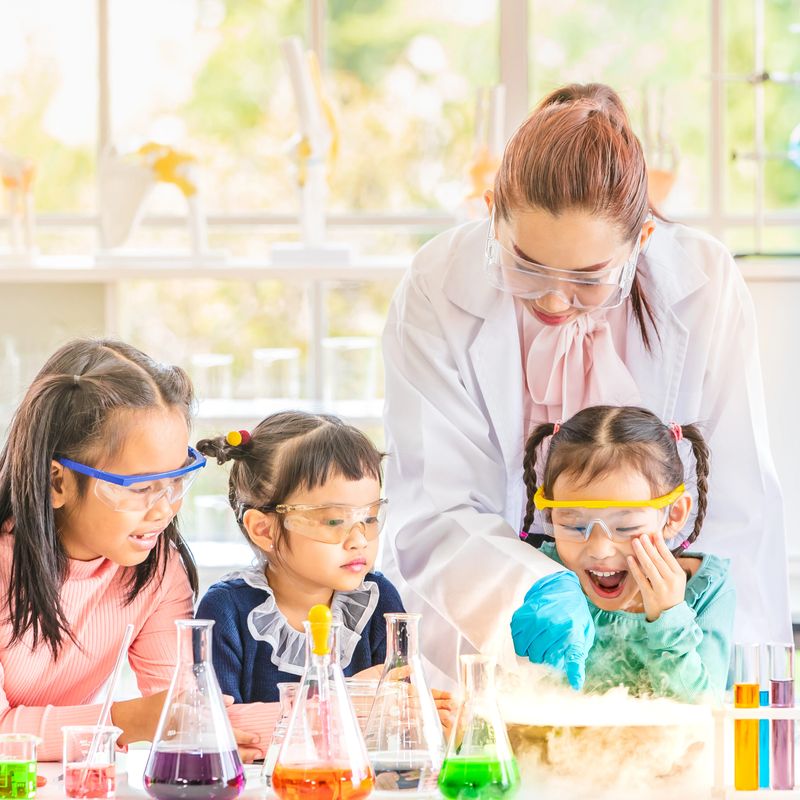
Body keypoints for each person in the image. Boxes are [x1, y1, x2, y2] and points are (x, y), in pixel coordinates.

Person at [381, 82, 786, 689]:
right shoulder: (439, 284)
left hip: (669, 643)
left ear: (641, 239)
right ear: (491, 212)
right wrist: (531, 588)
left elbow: (735, 507)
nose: (553, 299)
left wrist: (709, 663)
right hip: (488, 637)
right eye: (526, 265)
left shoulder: (705, 284)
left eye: (588, 277)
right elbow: (435, 504)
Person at [0, 339, 265, 761]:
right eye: (140, 487)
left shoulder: (156, 567)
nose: (164, 509)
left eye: (176, 479)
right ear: (57, 482)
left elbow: (188, 714)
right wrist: (132, 720)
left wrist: (354, 707)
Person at [515, 405, 734, 701]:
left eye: (626, 527)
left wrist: (669, 619)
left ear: (674, 514)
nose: (600, 550)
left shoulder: (707, 590)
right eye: (574, 525)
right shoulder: (541, 577)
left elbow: (704, 714)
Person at [195, 412, 408, 703]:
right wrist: (344, 696)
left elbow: (400, 713)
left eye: (370, 518)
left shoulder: (378, 600)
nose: (359, 541)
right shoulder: (226, 611)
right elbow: (218, 724)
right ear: (264, 530)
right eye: (334, 521)